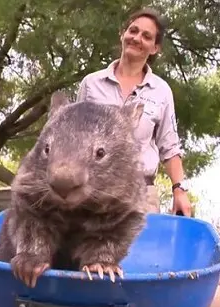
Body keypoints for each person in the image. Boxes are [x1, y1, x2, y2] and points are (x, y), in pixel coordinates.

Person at [75, 8, 192, 216]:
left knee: (140, 249)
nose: (137, 38)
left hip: (140, 197)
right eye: (133, 30)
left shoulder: (161, 91)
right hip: (91, 193)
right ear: (123, 34)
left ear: (155, 48)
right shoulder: (91, 84)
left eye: (146, 36)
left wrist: (179, 190)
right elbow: (73, 139)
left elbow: (170, 147)